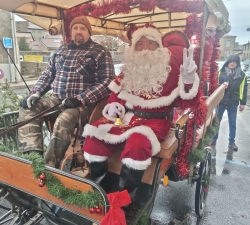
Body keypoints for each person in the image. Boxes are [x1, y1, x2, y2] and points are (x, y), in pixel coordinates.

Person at [82, 25, 200, 199]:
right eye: (140, 43)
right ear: (134, 48)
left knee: (138, 144)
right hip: (125, 118)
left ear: (159, 47)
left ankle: (124, 196)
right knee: (94, 137)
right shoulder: (129, 69)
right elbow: (116, 95)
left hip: (154, 122)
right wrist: (114, 106)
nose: (145, 47)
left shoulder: (173, 69)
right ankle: (101, 189)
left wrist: (189, 81)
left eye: (151, 43)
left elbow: (188, 103)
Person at [18, 16, 116, 168]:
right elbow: (48, 75)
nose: (79, 31)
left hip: (84, 105)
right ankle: (33, 158)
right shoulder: (60, 51)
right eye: (75, 28)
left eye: (83, 29)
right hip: (58, 99)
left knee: (64, 119)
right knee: (28, 107)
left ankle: (50, 167)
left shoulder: (100, 52)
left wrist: (80, 98)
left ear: (89, 32)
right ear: (71, 32)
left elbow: (107, 82)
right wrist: (36, 92)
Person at [211, 54, 247, 151]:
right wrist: (220, 86)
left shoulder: (242, 75)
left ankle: (231, 142)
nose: (232, 63)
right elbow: (214, 86)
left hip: (233, 102)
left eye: (234, 62)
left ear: (237, 63)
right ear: (227, 62)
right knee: (216, 121)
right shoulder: (221, 72)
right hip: (221, 101)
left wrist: (242, 103)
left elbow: (243, 89)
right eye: (230, 61)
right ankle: (213, 139)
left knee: (232, 123)